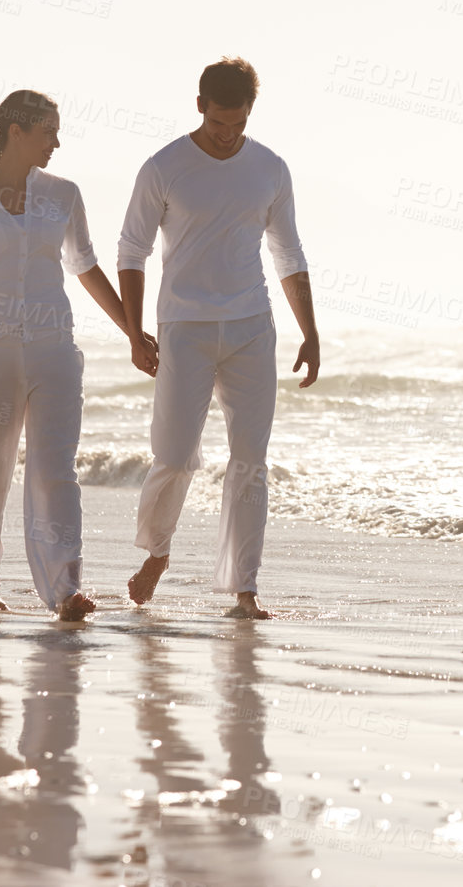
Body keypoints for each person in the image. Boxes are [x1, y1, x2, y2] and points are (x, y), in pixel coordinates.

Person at [117, 57, 319, 619]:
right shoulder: (164, 167)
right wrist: (134, 332)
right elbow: (131, 251)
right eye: (219, 123)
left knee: (251, 461)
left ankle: (245, 587)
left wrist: (310, 330)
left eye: (240, 124)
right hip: (185, 328)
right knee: (177, 457)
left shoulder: (270, 168)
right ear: (200, 105)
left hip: (253, 325)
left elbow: (288, 251)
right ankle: (156, 552)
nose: (228, 135)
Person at [0, 89, 153, 621]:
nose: (56, 142)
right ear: (16, 132)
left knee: (54, 470)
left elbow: (85, 268)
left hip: (54, 346)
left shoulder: (63, 194)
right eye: (48, 132)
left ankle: (66, 588)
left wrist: (133, 331)